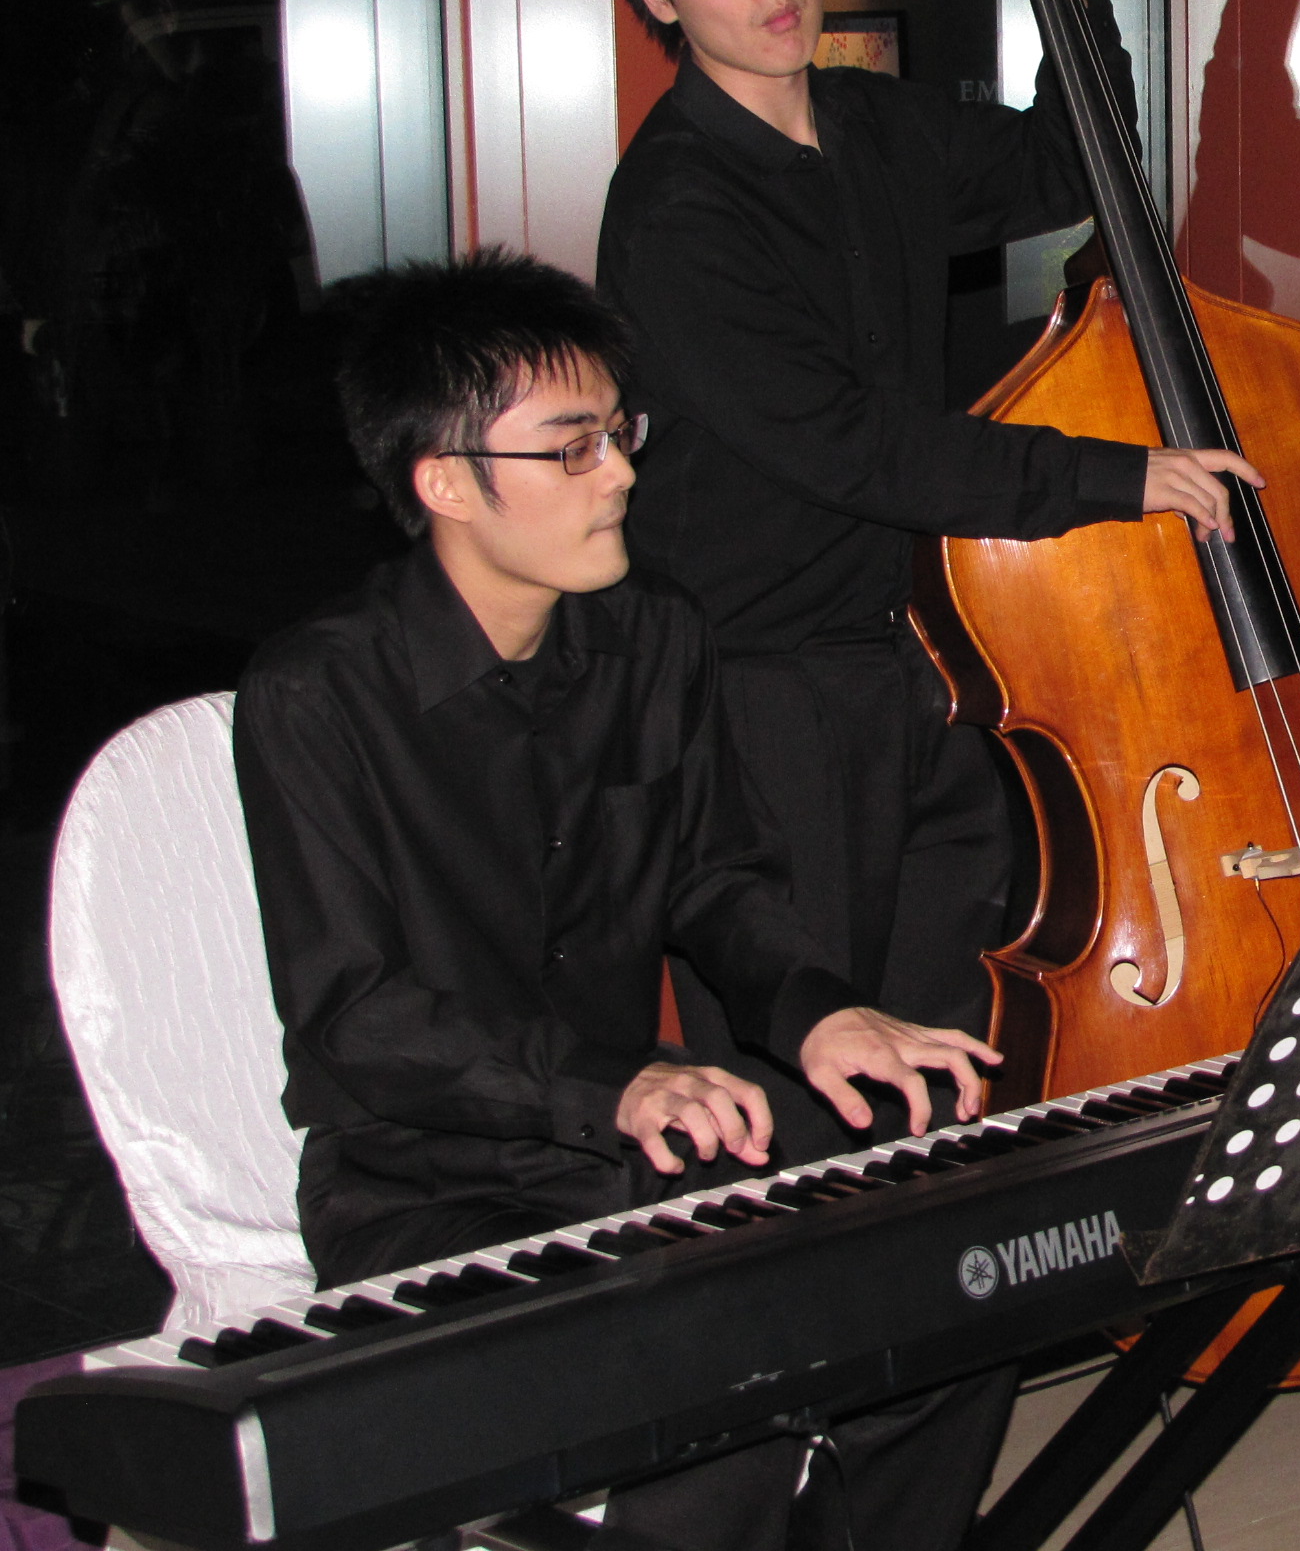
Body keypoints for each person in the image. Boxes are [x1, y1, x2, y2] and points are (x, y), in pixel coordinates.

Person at [235, 253, 1010, 1551]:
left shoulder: (656, 634)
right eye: (571, 448)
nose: (620, 476)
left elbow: (715, 880)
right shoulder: (319, 694)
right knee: (720, 1383)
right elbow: (355, 1012)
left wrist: (819, 1013)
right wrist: (619, 1087)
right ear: (444, 482)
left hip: (643, 1155)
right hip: (428, 1192)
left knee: (960, 1291)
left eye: (618, 433)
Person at [580, 0, 1257, 1149]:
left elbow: (1069, 166)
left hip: (925, 658)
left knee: (954, 1056)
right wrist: (1113, 477)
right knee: (805, 1087)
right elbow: (852, 444)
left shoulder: (869, 125)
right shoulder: (675, 210)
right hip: (763, 698)